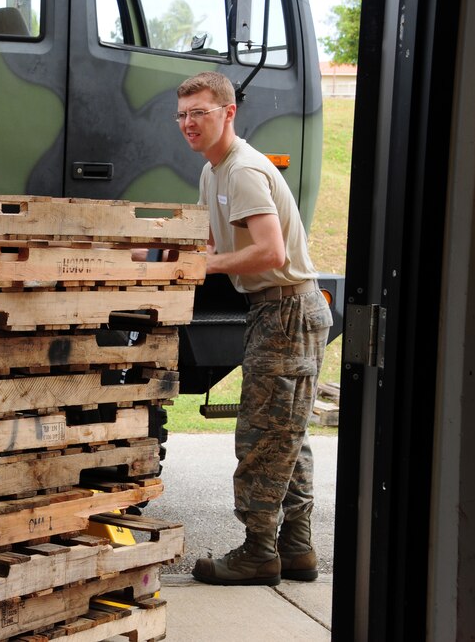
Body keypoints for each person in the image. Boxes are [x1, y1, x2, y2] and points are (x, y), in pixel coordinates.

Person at [177, 71, 333, 586]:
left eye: (199, 112)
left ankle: (258, 552)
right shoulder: (212, 172)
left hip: (287, 310)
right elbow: (203, 243)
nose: (188, 123)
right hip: (272, 311)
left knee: (263, 437)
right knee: (288, 435)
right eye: (181, 115)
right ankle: (295, 547)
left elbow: (271, 252)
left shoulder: (242, 169)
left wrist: (210, 265)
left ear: (228, 113)